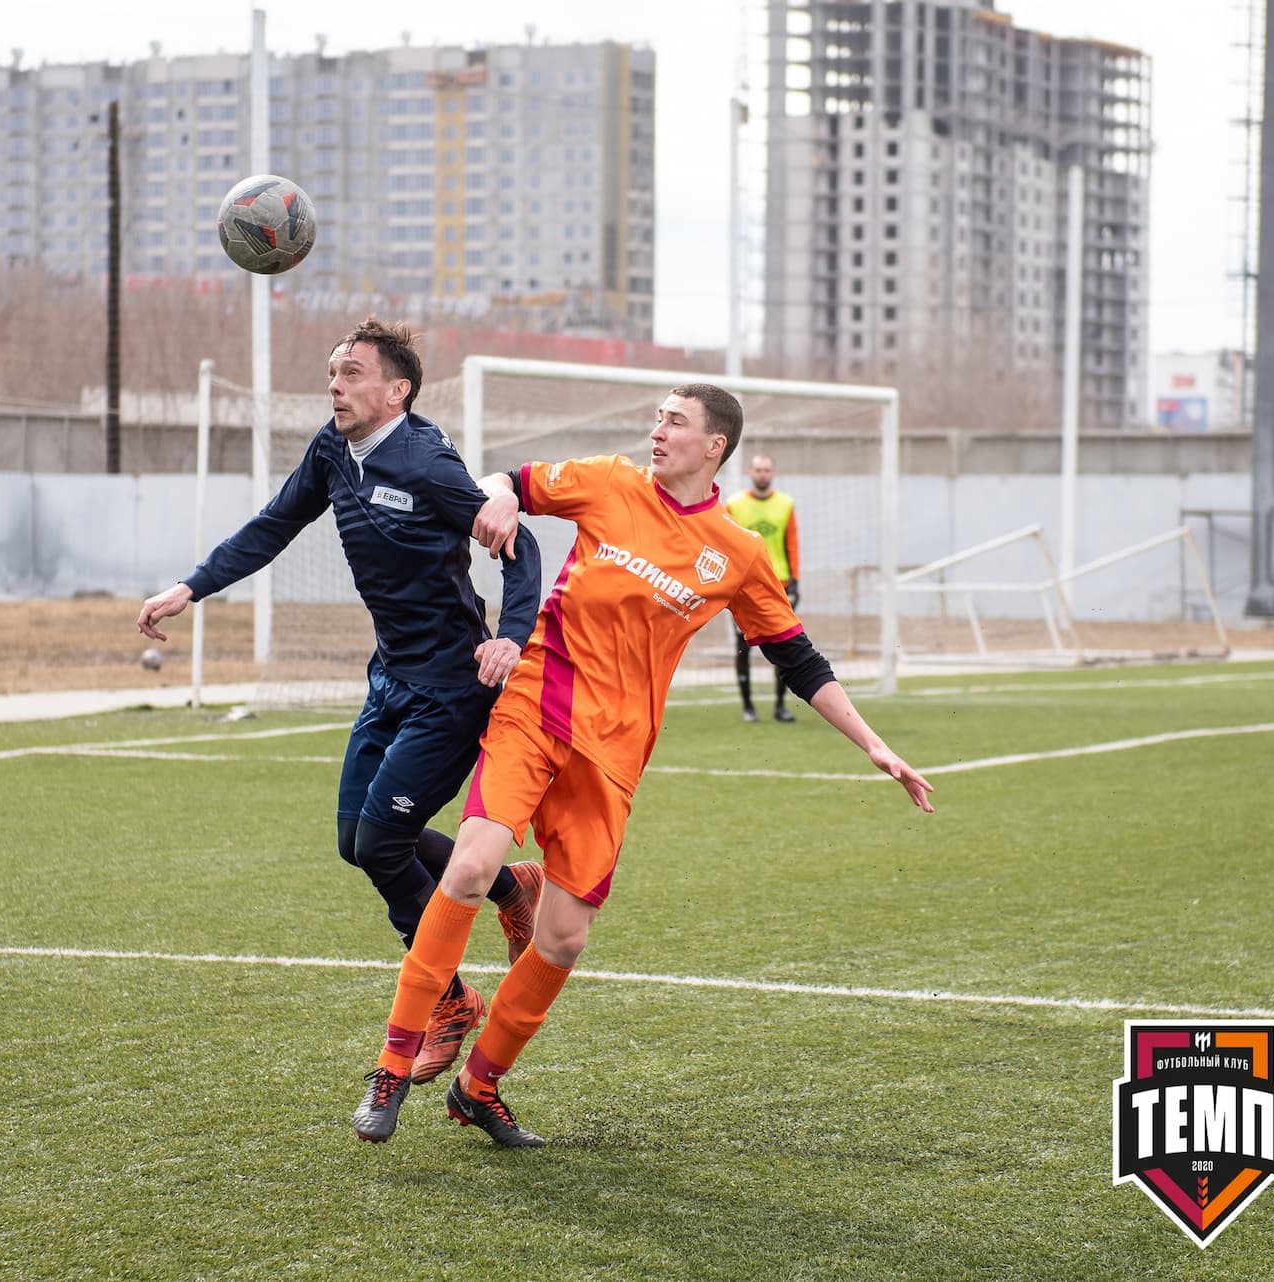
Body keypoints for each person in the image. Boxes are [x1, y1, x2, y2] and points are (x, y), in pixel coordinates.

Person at [351, 382, 935, 1147]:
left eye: (675, 421)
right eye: (657, 417)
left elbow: (797, 656)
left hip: (613, 753)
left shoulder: (736, 553)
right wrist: (497, 497)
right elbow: (510, 479)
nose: (658, 430)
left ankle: (479, 1087)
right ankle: (391, 1069)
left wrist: (874, 743)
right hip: (536, 706)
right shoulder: (608, 481)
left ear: (714, 445)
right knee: (468, 868)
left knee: (564, 938)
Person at [138, 317, 546, 1085]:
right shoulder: (332, 449)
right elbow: (275, 524)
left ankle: (450, 1001)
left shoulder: (427, 462)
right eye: (332, 372)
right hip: (388, 677)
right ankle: (508, 884)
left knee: (384, 844)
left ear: (397, 391)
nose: (335, 385)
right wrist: (191, 587)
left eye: (352, 372)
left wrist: (512, 637)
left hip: (452, 687)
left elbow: (519, 551)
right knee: (356, 840)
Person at [727, 453, 800, 723]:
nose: (762, 474)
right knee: (743, 645)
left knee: (784, 644)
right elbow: (727, 544)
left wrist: (796, 579)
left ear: (773, 473)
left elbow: (792, 543)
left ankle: (780, 705)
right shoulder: (734, 504)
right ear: (750, 472)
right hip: (744, 587)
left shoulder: (785, 504)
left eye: (766, 470)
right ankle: (748, 706)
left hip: (779, 584)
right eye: (758, 469)